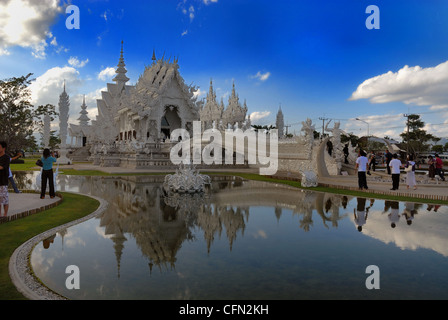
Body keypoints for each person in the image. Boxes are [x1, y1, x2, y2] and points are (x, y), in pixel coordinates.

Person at [0, 141, 11, 217]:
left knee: (5, 199)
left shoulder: (6, 158)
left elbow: (2, 167)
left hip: (3, 181)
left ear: (3, 148)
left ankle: (5, 214)